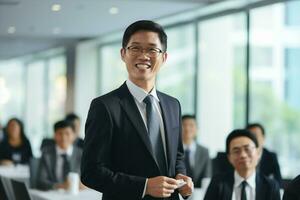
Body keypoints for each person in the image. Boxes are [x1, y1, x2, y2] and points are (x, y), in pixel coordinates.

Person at [81, 20, 193, 200]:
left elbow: (177, 156)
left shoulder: (173, 105)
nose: (143, 56)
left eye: (151, 49)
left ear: (164, 57)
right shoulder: (105, 106)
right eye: (135, 48)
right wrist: (145, 186)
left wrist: (180, 176)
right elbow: (91, 172)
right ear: (123, 54)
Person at [204, 129, 280, 200]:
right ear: (229, 157)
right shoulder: (218, 183)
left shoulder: (271, 186)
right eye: (236, 151)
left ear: (258, 153)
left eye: (247, 149)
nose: (243, 155)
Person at [36, 120, 83, 190]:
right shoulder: (46, 154)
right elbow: (40, 181)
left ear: (74, 136)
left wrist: (84, 185)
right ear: (54, 135)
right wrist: (60, 186)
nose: (63, 137)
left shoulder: (82, 154)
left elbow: (91, 179)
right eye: (60, 133)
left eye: (67, 133)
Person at [246, 123, 282, 187]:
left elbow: (278, 182)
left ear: (263, 138)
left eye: (256, 135)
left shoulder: (271, 157)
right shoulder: (242, 156)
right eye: (250, 136)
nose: (253, 139)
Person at [181, 114, 211, 188]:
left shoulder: (204, 151)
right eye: (184, 125)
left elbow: (206, 177)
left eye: (191, 125)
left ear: (197, 129)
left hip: (198, 193)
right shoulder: (172, 150)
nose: (187, 128)